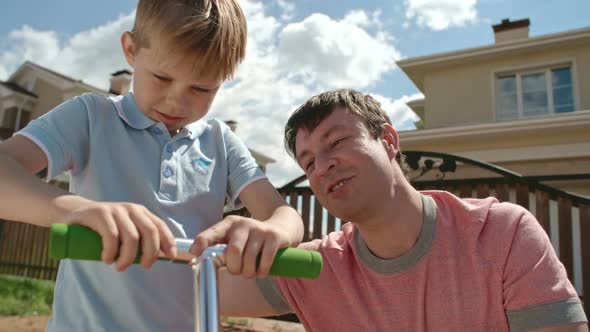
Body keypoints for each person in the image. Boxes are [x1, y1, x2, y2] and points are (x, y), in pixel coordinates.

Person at [0, 1, 303, 330]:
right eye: (161, 77)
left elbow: (284, 215)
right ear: (131, 50)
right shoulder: (91, 117)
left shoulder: (220, 142)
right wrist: (73, 210)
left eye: (201, 88)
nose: (177, 100)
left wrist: (271, 231)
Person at [218, 89, 588, 331]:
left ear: (389, 141)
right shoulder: (316, 269)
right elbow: (188, 289)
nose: (323, 165)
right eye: (308, 162)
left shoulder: (500, 233)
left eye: (337, 141)